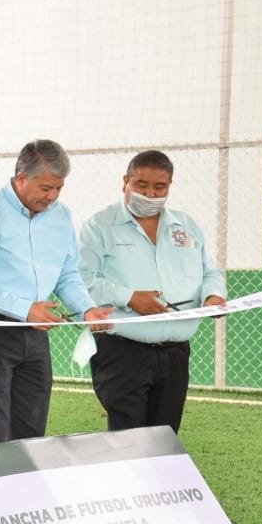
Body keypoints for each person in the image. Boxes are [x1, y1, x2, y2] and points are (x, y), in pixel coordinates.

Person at [0, 138, 113, 445]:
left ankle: (26, 491)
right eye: (45, 188)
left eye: (59, 188)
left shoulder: (62, 216)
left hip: (36, 335)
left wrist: (87, 309)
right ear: (21, 178)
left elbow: (68, 274)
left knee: (32, 432)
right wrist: (25, 309)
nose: (52, 196)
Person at [78, 150, 226, 433]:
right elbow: (81, 278)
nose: (150, 194)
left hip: (175, 353)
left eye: (159, 187)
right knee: (128, 439)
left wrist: (213, 296)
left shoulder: (186, 225)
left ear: (170, 185)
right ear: (126, 181)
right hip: (122, 351)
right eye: (141, 185)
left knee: (165, 436)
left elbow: (211, 272)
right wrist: (130, 297)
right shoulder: (99, 226)